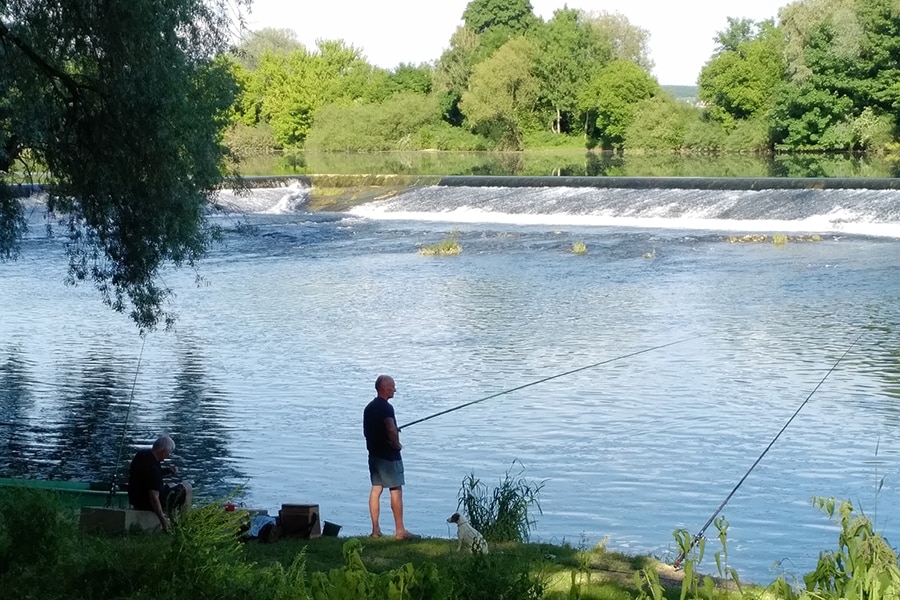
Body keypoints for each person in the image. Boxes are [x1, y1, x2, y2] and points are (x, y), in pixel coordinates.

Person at [363, 375, 415, 540]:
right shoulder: (386, 408)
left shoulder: (369, 407)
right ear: (384, 388)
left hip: (374, 455)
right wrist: (397, 444)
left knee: (376, 489)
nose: (395, 389)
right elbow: (391, 429)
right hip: (388, 456)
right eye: (392, 386)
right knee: (396, 489)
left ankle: (375, 530)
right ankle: (400, 531)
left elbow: (370, 431)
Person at [127, 435, 192, 532]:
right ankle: (185, 522)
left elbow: (150, 475)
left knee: (172, 485)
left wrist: (167, 470)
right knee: (188, 487)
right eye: (168, 453)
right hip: (147, 503)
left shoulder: (142, 455)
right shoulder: (153, 468)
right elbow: (154, 498)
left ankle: (175, 521)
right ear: (164, 452)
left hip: (136, 498)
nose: (168, 456)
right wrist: (163, 521)